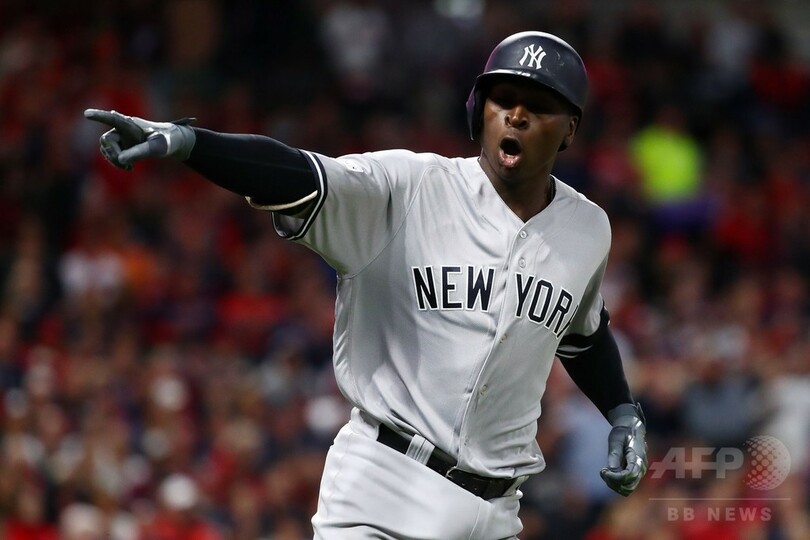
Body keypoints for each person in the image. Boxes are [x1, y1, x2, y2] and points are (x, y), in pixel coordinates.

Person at [85, 30, 648, 540]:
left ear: (570, 128)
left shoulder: (586, 229)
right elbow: (296, 172)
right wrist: (190, 142)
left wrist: (622, 411)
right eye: (503, 99)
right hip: (385, 491)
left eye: (540, 106)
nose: (516, 116)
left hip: (498, 514)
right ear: (479, 109)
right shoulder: (409, 187)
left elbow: (582, 332)